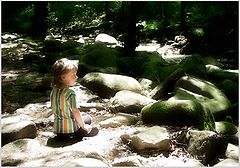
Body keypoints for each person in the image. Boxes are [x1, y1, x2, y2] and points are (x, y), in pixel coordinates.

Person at [50, 58, 98, 140]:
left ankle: (70, 133)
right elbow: (75, 111)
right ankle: (82, 132)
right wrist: (83, 126)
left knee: (83, 118)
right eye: (73, 75)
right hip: (70, 130)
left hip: (58, 130)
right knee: (88, 119)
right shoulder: (70, 93)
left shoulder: (54, 91)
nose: (76, 77)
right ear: (63, 77)